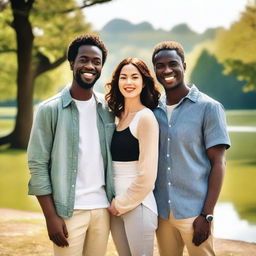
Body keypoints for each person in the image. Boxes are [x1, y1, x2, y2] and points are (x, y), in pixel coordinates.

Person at [27, 34, 115, 256]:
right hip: (68, 211)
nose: (90, 66)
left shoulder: (108, 108)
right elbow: (38, 165)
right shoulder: (50, 110)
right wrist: (51, 217)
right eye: (84, 59)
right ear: (71, 64)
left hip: (102, 209)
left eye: (96, 62)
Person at [151, 41, 231, 256]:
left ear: (184, 66)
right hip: (161, 212)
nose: (166, 70)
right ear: (155, 70)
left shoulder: (209, 107)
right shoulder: (152, 110)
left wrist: (207, 215)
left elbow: (218, 163)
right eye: (160, 65)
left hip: (195, 213)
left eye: (172, 64)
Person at [105, 57, 160, 256]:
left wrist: (122, 203)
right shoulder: (115, 115)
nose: (129, 83)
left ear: (143, 82)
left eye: (135, 77)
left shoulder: (146, 118)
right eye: (124, 77)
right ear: (117, 81)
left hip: (138, 206)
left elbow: (147, 175)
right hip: (115, 205)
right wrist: (115, 203)